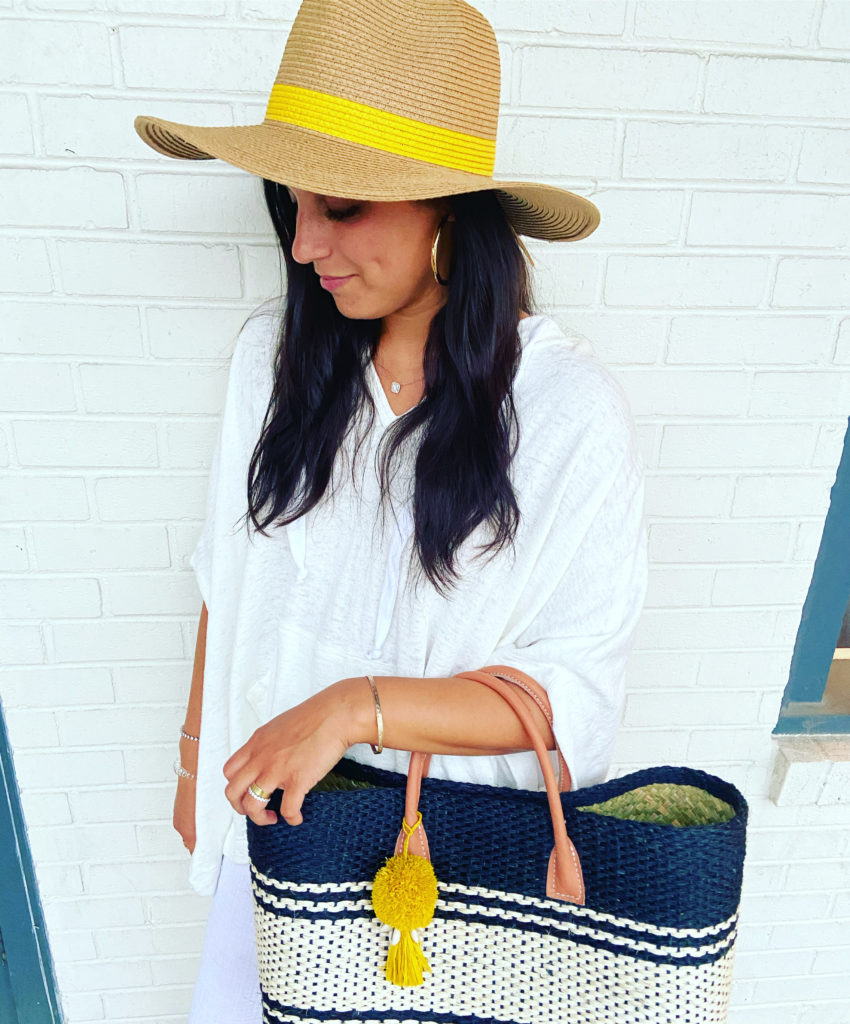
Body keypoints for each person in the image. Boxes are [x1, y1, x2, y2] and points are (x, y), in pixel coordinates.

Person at [134, 1, 648, 1020]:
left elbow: (573, 698)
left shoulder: (563, 411)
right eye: (290, 206)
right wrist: (195, 764)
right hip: (272, 845)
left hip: (446, 882)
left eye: (340, 206)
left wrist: (351, 707)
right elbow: (226, 580)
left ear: (449, 213)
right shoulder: (274, 365)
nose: (302, 246)